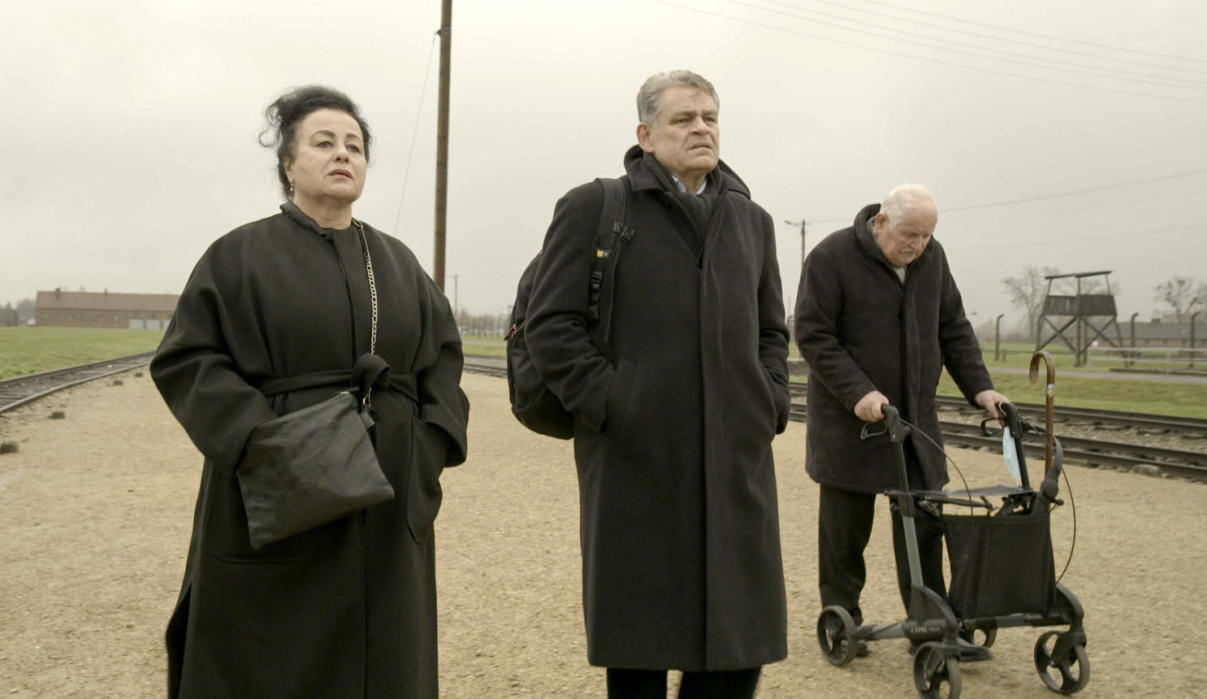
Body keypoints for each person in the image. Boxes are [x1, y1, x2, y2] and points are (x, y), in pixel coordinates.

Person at [151, 86, 469, 697]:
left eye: (354, 145)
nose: (342, 154)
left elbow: (443, 365)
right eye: (323, 143)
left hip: (387, 493)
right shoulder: (237, 256)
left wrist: (427, 448)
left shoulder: (400, 263)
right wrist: (263, 443)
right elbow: (188, 359)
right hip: (278, 484)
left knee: (385, 660)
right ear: (289, 165)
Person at [525, 70, 790, 698]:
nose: (701, 128)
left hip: (735, 461)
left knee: (735, 649)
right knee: (639, 648)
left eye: (710, 118)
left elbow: (772, 331)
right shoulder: (595, 206)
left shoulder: (752, 221)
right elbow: (551, 326)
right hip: (636, 463)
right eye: (683, 119)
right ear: (645, 134)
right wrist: (618, 406)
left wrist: (767, 403)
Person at [793, 184, 1006, 655]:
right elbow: (813, 335)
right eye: (910, 234)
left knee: (923, 522)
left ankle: (929, 621)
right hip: (852, 421)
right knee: (846, 531)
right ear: (881, 222)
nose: (918, 245)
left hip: (915, 421)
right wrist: (859, 393)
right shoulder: (831, 257)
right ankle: (843, 616)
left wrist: (981, 388)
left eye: (928, 236)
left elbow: (952, 327)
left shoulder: (933, 260)